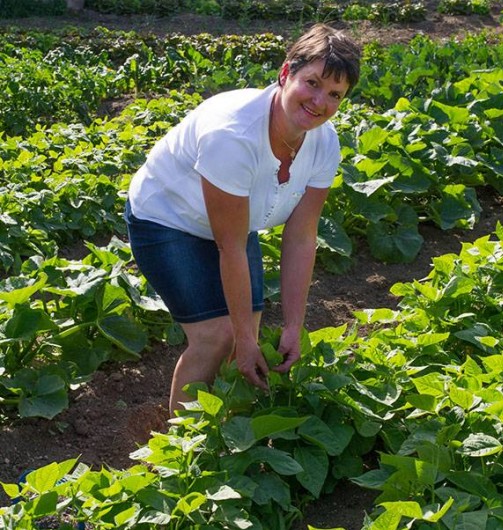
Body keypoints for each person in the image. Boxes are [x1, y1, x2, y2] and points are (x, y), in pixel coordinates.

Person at [124, 24, 361, 414]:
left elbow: (301, 236)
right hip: (167, 218)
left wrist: (293, 325)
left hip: (237, 221)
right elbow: (229, 245)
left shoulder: (324, 143)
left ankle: (226, 440)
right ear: (286, 74)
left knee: (246, 337)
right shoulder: (232, 136)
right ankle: (180, 456)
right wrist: (242, 336)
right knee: (218, 337)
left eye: (335, 94)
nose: (320, 101)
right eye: (312, 82)